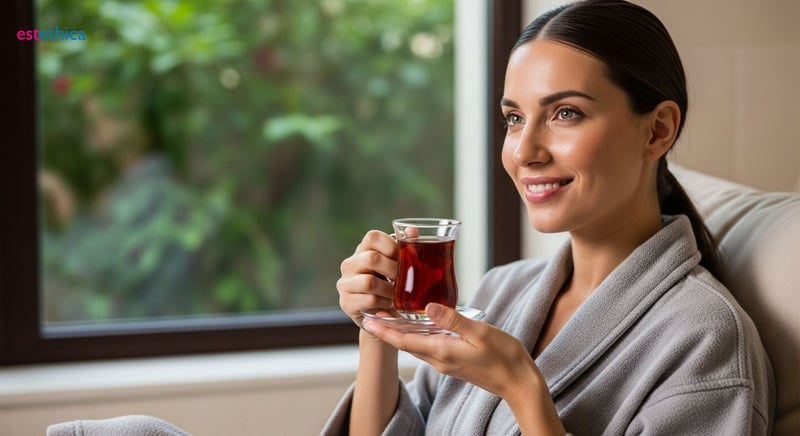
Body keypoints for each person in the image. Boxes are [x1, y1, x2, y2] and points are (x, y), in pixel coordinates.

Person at [323, 0, 774, 434]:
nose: (524, 152)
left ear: (657, 130)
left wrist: (521, 388)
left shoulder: (707, 340)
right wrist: (377, 327)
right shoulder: (502, 291)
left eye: (565, 113)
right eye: (514, 118)